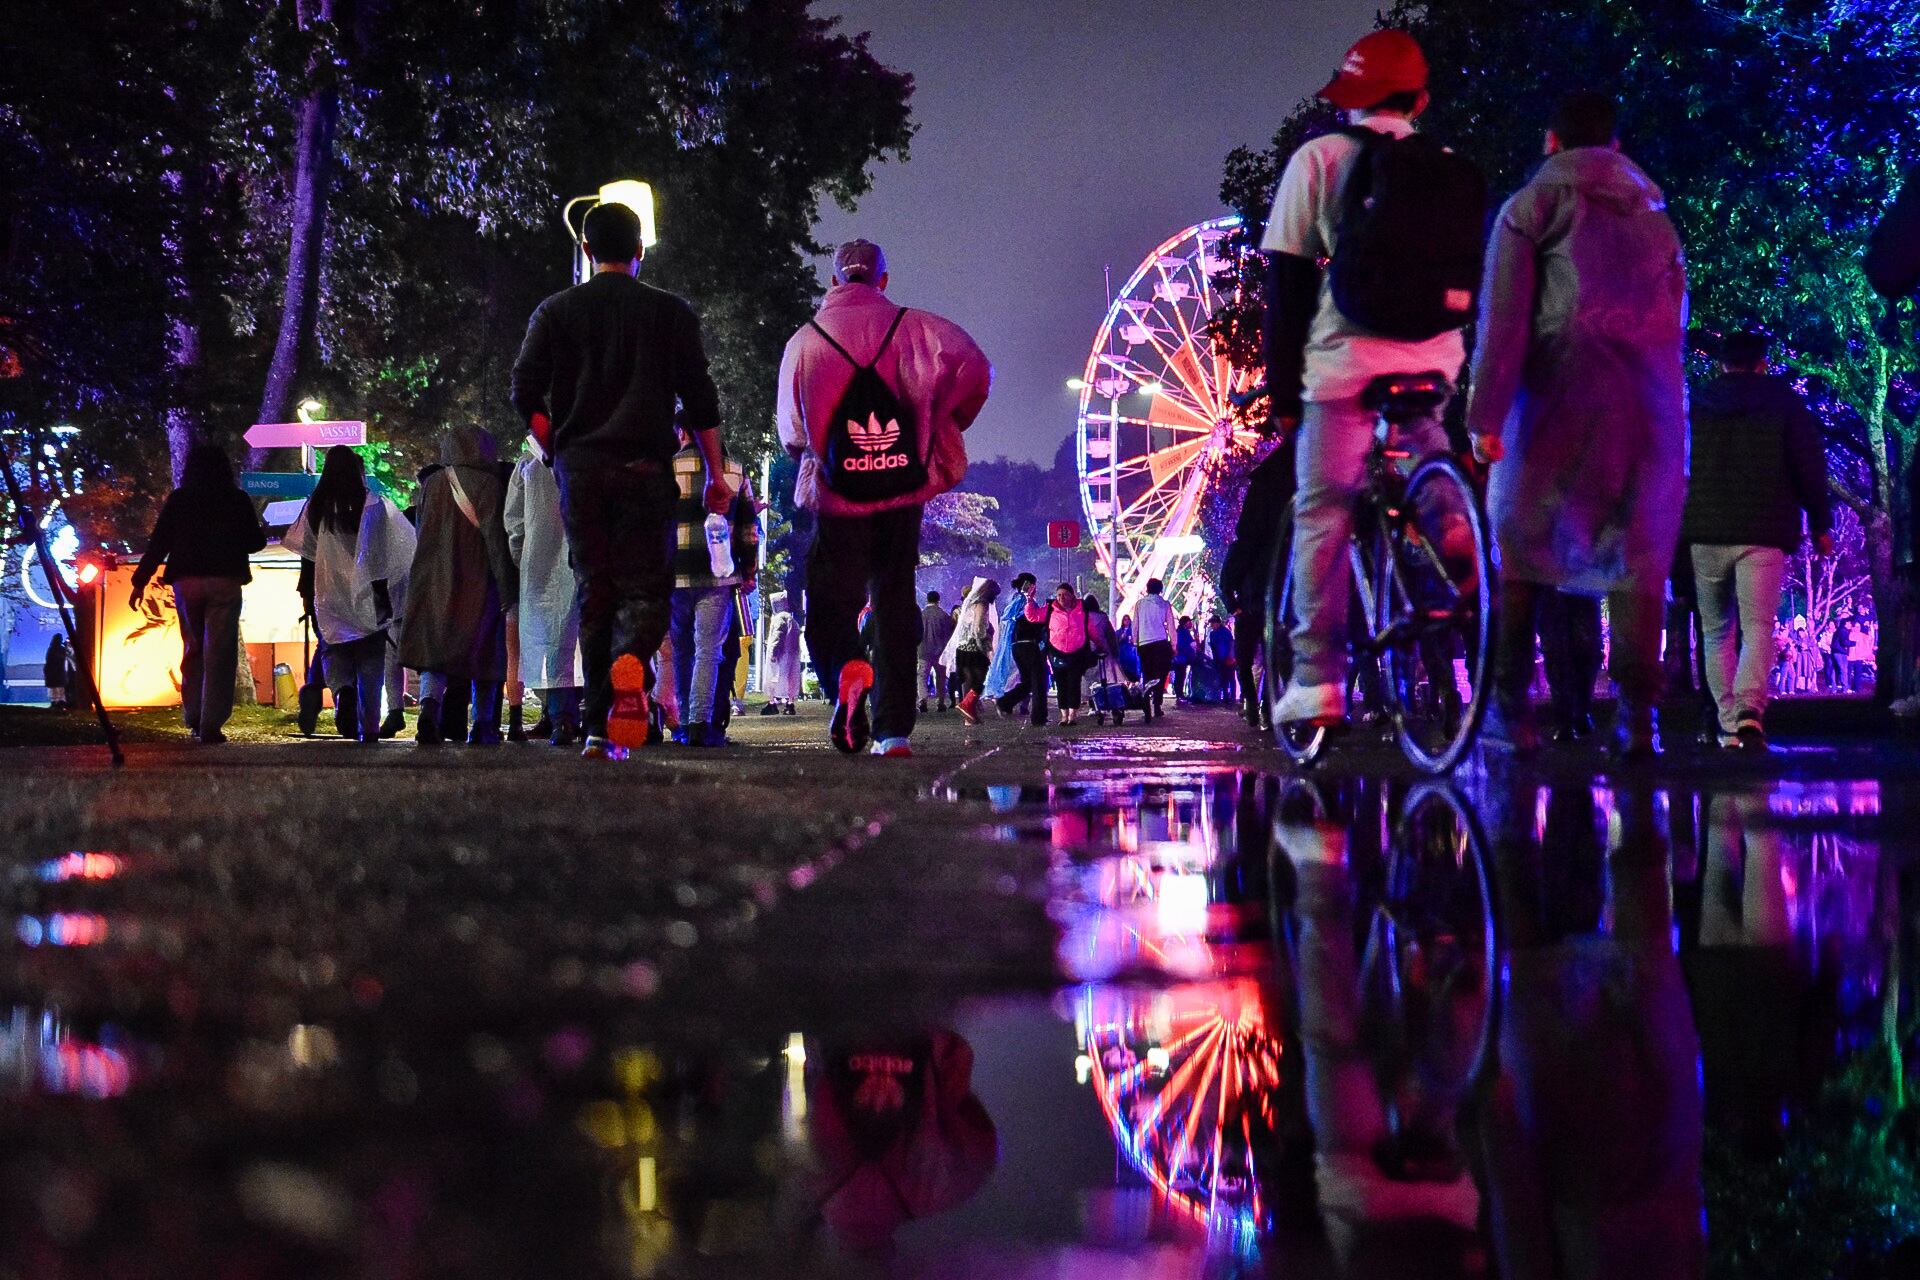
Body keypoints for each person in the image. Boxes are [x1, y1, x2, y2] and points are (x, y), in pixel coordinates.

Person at [1260, 29, 1481, 729]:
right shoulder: (1452, 167)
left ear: (1348, 100)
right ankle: (1453, 526)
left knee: (1322, 510)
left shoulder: (1318, 161)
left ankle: (1317, 680)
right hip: (1434, 359)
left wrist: (1285, 398)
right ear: (1420, 99)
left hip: (1346, 367)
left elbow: (1288, 289)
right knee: (1425, 450)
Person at [1467, 91, 1690, 758]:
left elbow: (1504, 321)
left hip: (1556, 394)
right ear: (1616, 147)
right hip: (1648, 404)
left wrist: (1484, 417)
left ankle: (1511, 705)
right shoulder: (1659, 218)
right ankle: (1638, 717)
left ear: (1550, 141)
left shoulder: (1529, 209)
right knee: (1638, 558)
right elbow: (1675, 318)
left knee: (1523, 546)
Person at [511, 200, 731, 758]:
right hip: (645, 469)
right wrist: (713, 474)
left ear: (586, 250)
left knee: (595, 590)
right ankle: (631, 669)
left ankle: (594, 727)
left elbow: (523, 391)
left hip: (581, 471)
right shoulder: (670, 313)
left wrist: (555, 445)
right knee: (645, 587)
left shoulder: (555, 312)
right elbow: (701, 401)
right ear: (639, 251)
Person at [777, 238, 992, 758]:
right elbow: (977, 371)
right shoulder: (921, 330)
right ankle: (893, 729)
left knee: (832, 604)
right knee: (894, 596)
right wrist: (938, 423)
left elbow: (791, 434)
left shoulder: (803, 342)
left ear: (833, 281)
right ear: (883, 280)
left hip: (836, 494)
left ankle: (848, 676)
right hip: (901, 488)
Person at [1681, 330, 1833, 748]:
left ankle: (1728, 723)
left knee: (1715, 632)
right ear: (1762, 363)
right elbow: (1808, 463)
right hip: (1764, 528)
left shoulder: (1697, 402)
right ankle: (1751, 712)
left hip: (1706, 530)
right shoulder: (1783, 401)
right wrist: (1820, 522)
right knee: (1758, 627)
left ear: (1721, 363)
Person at [129, 443, 266, 743]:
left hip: (187, 580)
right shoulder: (236, 499)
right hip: (225, 580)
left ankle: (192, 714)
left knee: (192, 647)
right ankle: (211, 723)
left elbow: (159, 543)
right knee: (220, 652)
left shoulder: (180, 500)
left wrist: (140, 581)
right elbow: (255, 543)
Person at [284, 446, 416, 743]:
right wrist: (384, 601)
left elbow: (308, 555)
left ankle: (342, 690)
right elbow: (382, 554)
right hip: (368, 593)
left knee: (333, 648)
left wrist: (307, 593)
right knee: (371, 657)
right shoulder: (373, 505)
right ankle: (369, 726)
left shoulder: (316, 505)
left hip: (328, 593)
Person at [399, 427, 519, 746]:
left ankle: (428, 710)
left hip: (433, 580)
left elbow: (422, 530)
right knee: (485, 655)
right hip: (478, 582)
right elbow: (496, 541)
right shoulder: (490, 485)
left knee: (434, 655)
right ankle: (483, 724)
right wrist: (508, 592)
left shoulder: (431, 485)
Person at [668, 428, 758, 747]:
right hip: (718, 577)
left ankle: (681, 724)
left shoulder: (666, 467)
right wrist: (749, 569)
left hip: (674, 576)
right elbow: (749, 527)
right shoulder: (733, 469)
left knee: (682, 650)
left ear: (681, 432)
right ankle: (698, 724)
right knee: (709, 651)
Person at [504, 437, 585, 746]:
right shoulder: (584, 454)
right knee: (582, 639)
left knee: (551, 642)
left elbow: (514, 521)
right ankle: (582, 717)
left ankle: (559, 716)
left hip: (538, 564)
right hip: (582, 559)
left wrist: (523, 556)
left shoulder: (528, 463)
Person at [997, 577, 1051, 726]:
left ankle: (1005, 702)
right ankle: (1039, 717)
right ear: (1030, 585)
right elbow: (1033, 621)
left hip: (1016, 646)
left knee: (1028, 681)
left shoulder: (1013, 601)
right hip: (1028, 645)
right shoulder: (1026, 602)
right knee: (1040, 681)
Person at [947, 577, 1000, 723]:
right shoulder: (982, 604)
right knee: (981, 678)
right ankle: (967, 705)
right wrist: (986, 637)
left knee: (968, 680)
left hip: (962, 646)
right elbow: (978, 628)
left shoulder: (969, 603)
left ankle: (969, 713)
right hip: (974, 646)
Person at [1045, 582, 1094, 726]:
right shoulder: (1050, 609)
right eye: (1059, 595)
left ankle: (1072, 715)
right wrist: (1028, 601)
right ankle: (1063, 716)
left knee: (1074, 683)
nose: (1061, 598)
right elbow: (1033, 617)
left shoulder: (1081, 610)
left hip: (1077, 653)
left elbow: (1090, 629)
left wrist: (1101, 644)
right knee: (1061, 685)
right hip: (1057, 653)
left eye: (1065, 594)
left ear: (1072, 596)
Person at [984, 571, 1034, 708]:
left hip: (1015, 643)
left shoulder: (1016, 599)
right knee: (1020, 675)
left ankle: (1013, 703)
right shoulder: (1021, 600)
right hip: (1018, 643)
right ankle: (1013, 703)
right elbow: (1009, 620)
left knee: (1019, 675)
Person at [1133, 577, 1175, 720]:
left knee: (1147, 675)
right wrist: (1174, 645)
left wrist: (1135, 642)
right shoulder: (1165, 604)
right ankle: (1157, 705)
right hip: (1161, 643)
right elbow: (1171, 627)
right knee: (1160, 675)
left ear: (1147, 588)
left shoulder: (1140, 604)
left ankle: (1146, 706)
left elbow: (1135, 625)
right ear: (1160, 589)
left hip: (1144, 643)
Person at [762, 595, 802, 715]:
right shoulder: (791, 619)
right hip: (792, 655)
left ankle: (772, 703)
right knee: (790, 679)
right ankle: (789, 704)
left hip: (780, 656)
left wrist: (773, 652)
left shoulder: (779, 618)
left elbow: (777, 636)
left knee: (774, 678)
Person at [919, 590, 955, 713]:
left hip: (923, 650)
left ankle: (923, 700)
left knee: (922, 676)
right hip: (940, 651)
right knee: (940, 677)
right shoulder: (943, 615)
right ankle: (940, 702)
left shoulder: (921, 615)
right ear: (938, 600)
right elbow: (950, 632)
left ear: (927, 600)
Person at [1207, 614, 1237, 705]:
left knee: (1230, 678)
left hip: (1228, 659)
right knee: (1223, 678)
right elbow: (1213, 647)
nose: (1212, 625)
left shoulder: (1226, 632)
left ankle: (1232, 697)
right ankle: (1225, 697)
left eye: (1213, 623)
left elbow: (1231, 644)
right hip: (1218, 660)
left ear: (1218, 623)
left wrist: (1231, 657)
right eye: (1211, 623)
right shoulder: (1212, 634)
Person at [1173, 616, 1198, 702]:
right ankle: (1179, 694)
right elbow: (1183, 645)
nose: (1190, 623)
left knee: (1180, 676)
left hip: (1182, 658)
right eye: (1189, 622)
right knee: (1180, 676)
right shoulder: (1182, 632)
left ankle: (1179, 693)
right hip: (1181, 658)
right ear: (1185, 623)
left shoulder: (1183, 632)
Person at [43, 634, 70, 711]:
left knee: (57, 688)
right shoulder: (58, 649)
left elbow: (49, 660)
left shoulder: (53, 649)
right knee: (57, 688)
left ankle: (57, 702)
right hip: (56, 672)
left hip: (55, 672)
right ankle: (57, 702)